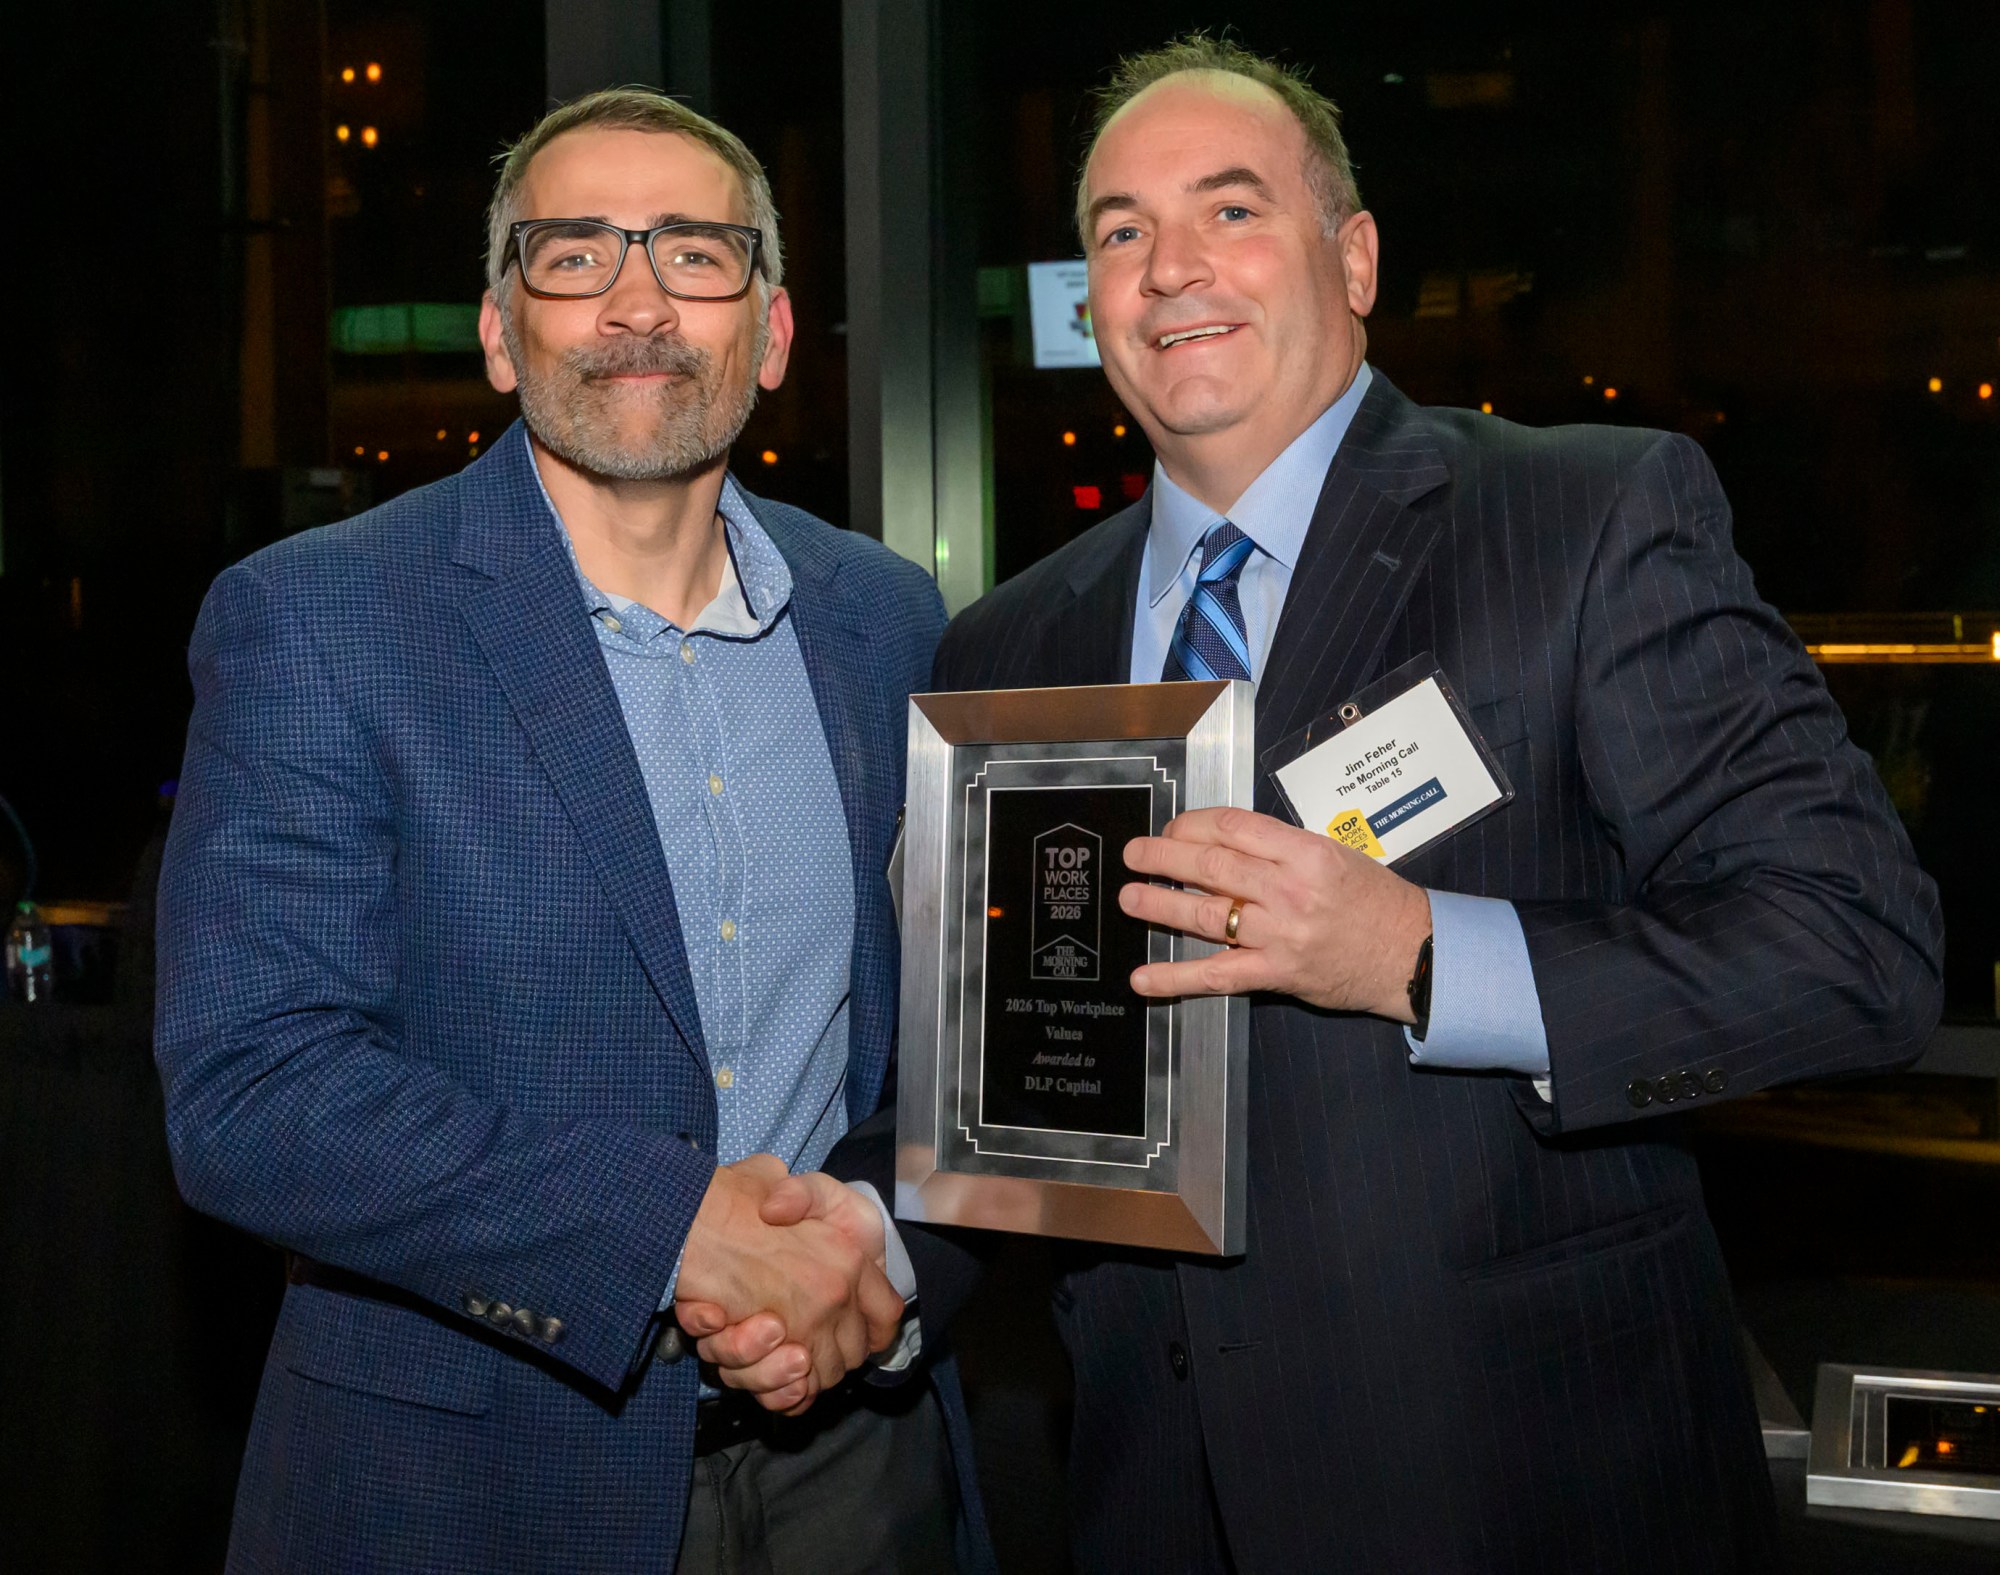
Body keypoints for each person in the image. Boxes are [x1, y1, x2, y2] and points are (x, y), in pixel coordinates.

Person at [921, 35, 1941, 1575]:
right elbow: (1006, 1091)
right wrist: (858, 1247)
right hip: (1148, 1495)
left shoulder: (1583, 515)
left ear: (1356, 257)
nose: (1169, 268)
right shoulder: (1011, 645)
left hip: (1527, 1487)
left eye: (1231, 211)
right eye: (1120, 231)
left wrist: (1420, 957)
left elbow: (1858, 950)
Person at [155, 88, 989, 1574]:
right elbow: (254, 1088)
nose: (637, 301)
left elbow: (945, 1037)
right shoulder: (320, 617)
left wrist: (882, 1253)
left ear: (775, 333)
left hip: (862, 1468)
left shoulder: (882, 620)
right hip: (468, 1484)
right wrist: (667, 1229)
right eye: (574, 254)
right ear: (499, 330)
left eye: (694, 252)